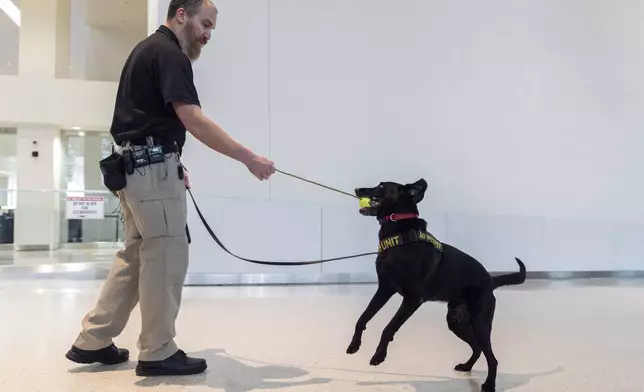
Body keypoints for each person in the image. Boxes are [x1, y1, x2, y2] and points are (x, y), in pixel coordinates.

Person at [65, 0, 275, 377]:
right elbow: (191, 118)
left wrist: (169, 163)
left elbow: (147, 122)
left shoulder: (145, 50)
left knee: (134, 255)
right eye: (205, 24)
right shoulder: (170, 54)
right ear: (182, 14)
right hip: (151, 173)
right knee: (165, 256)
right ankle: (158, 350)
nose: (208, 34)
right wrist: (248, 158)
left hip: (135, 171)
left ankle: (92, 340)